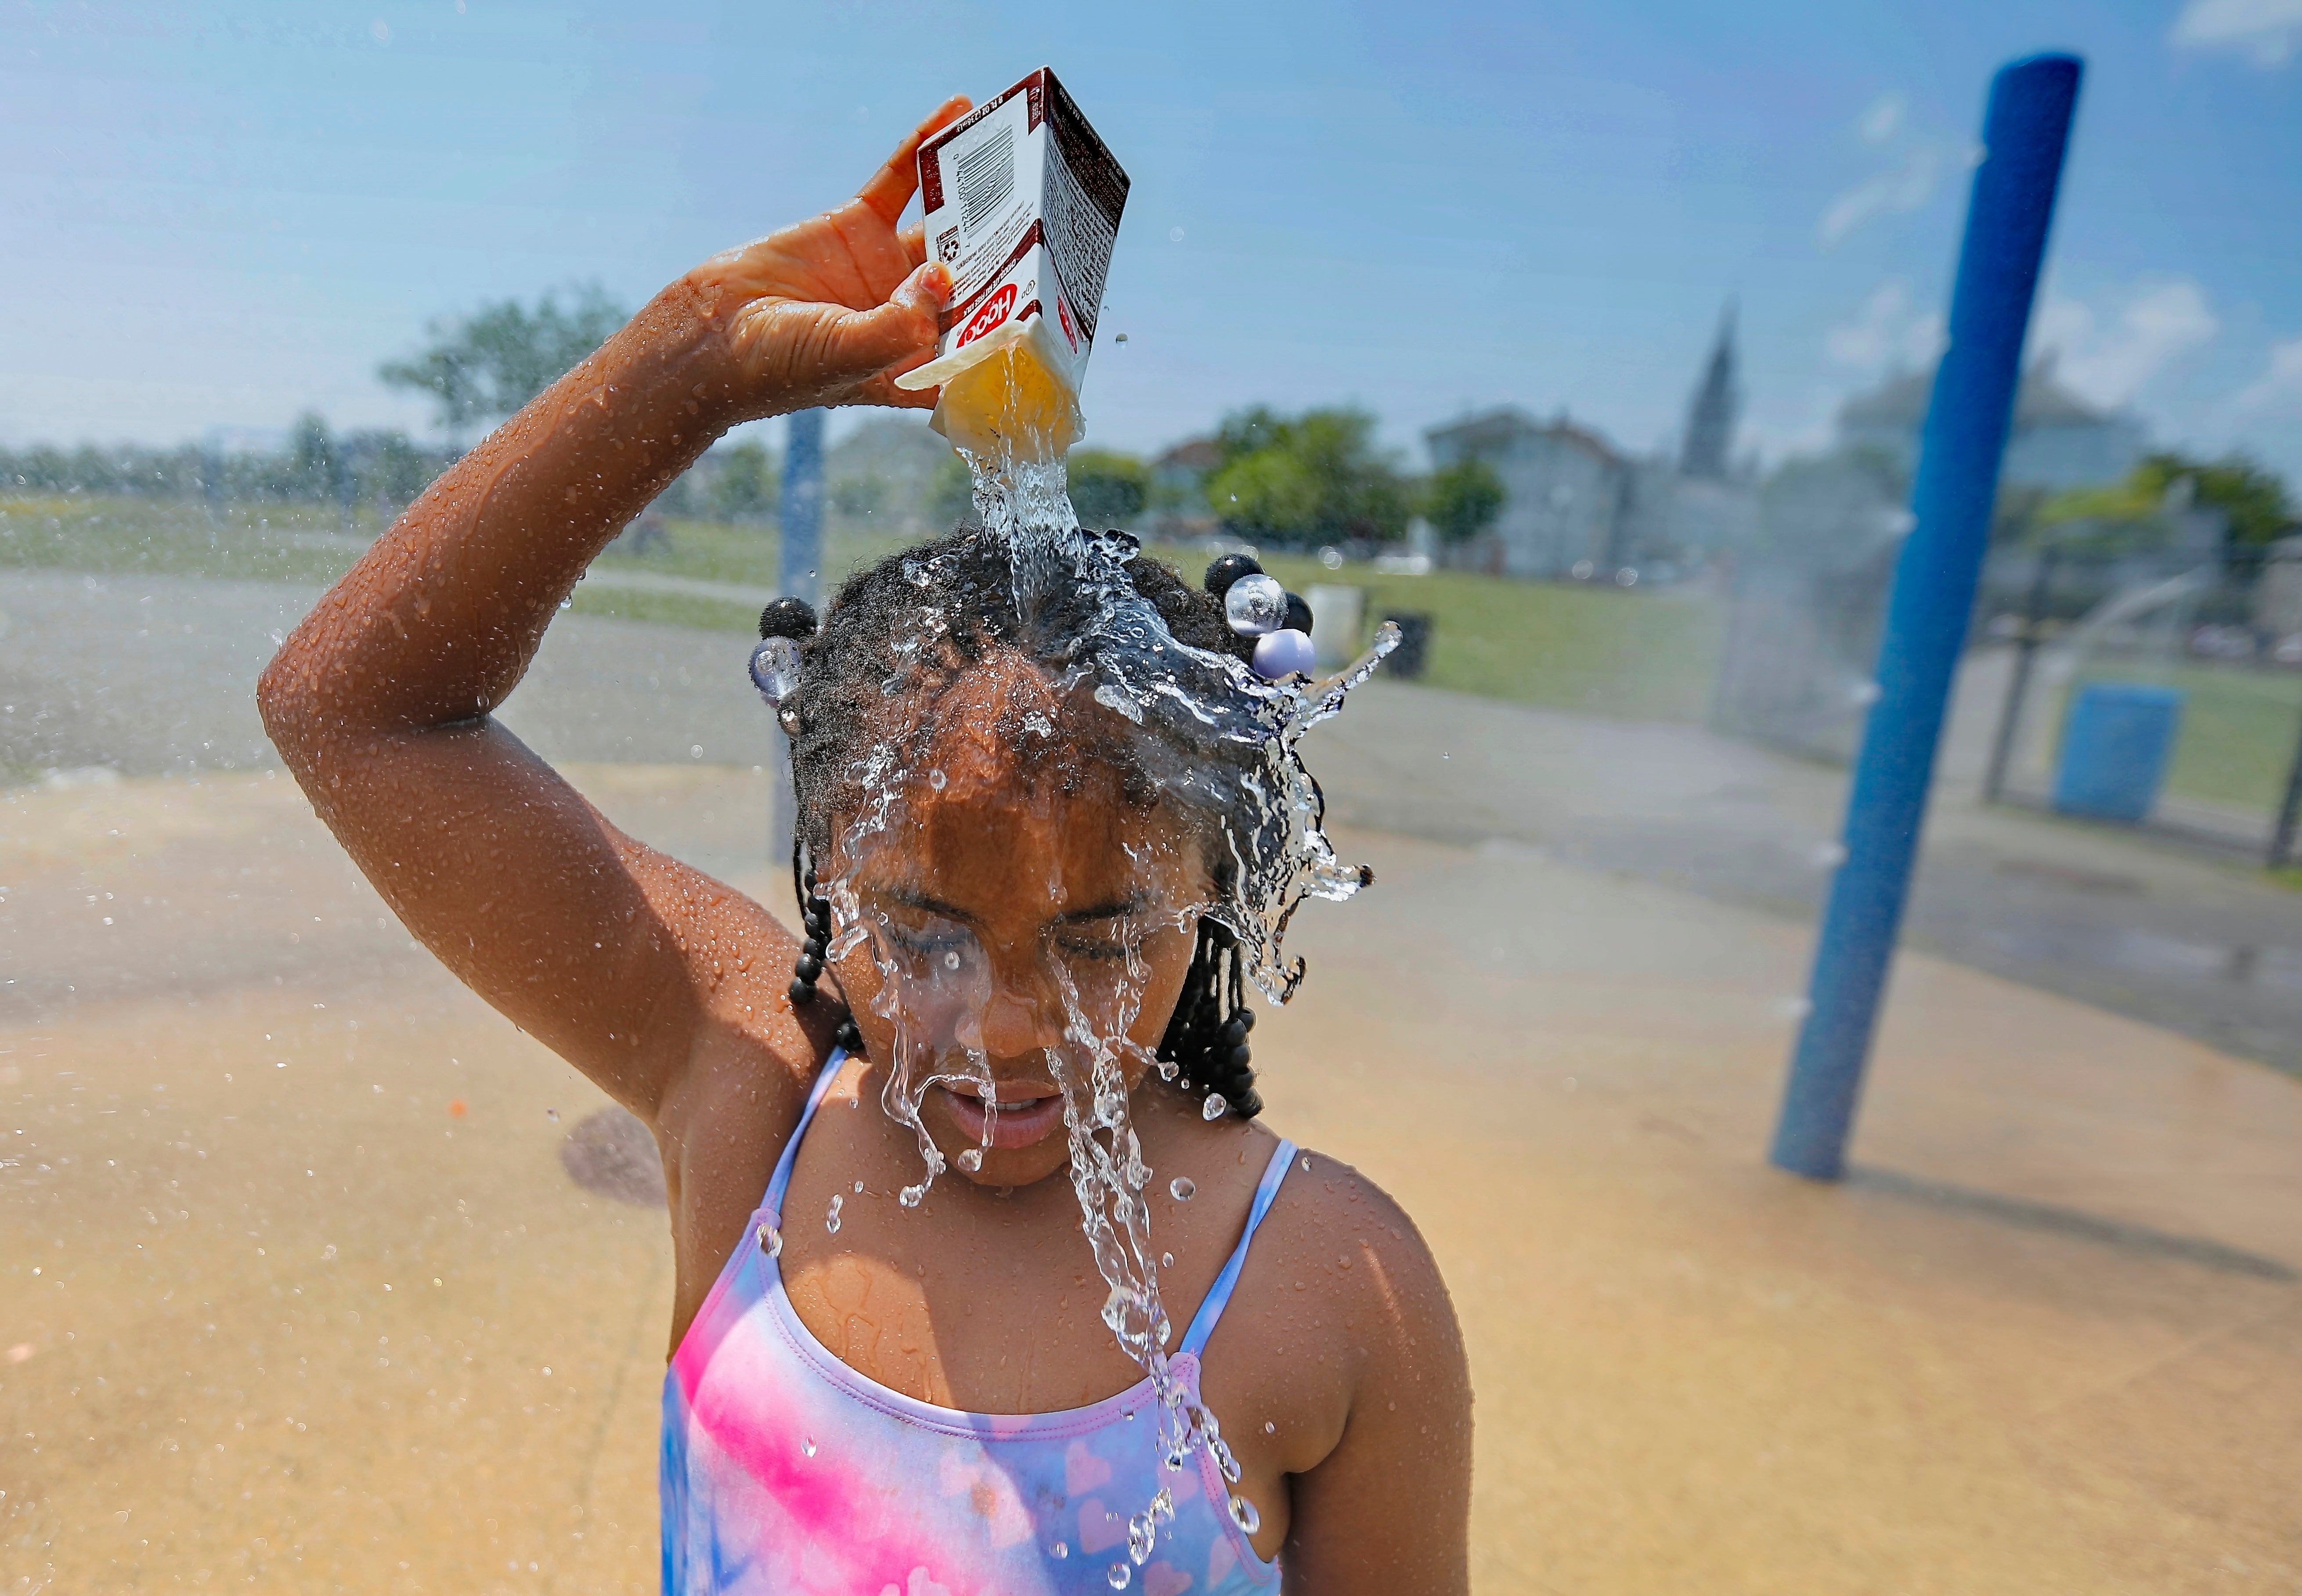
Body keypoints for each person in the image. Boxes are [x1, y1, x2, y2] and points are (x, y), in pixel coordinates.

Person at [258, 97, 1469, 1595]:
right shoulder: (750, 1098)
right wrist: (697, 354)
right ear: (824, 867)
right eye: (918, 930)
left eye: (1101, 937)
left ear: (1212, 891)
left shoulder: (1329, 1291)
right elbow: (353, 713)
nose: (1007, 1029)